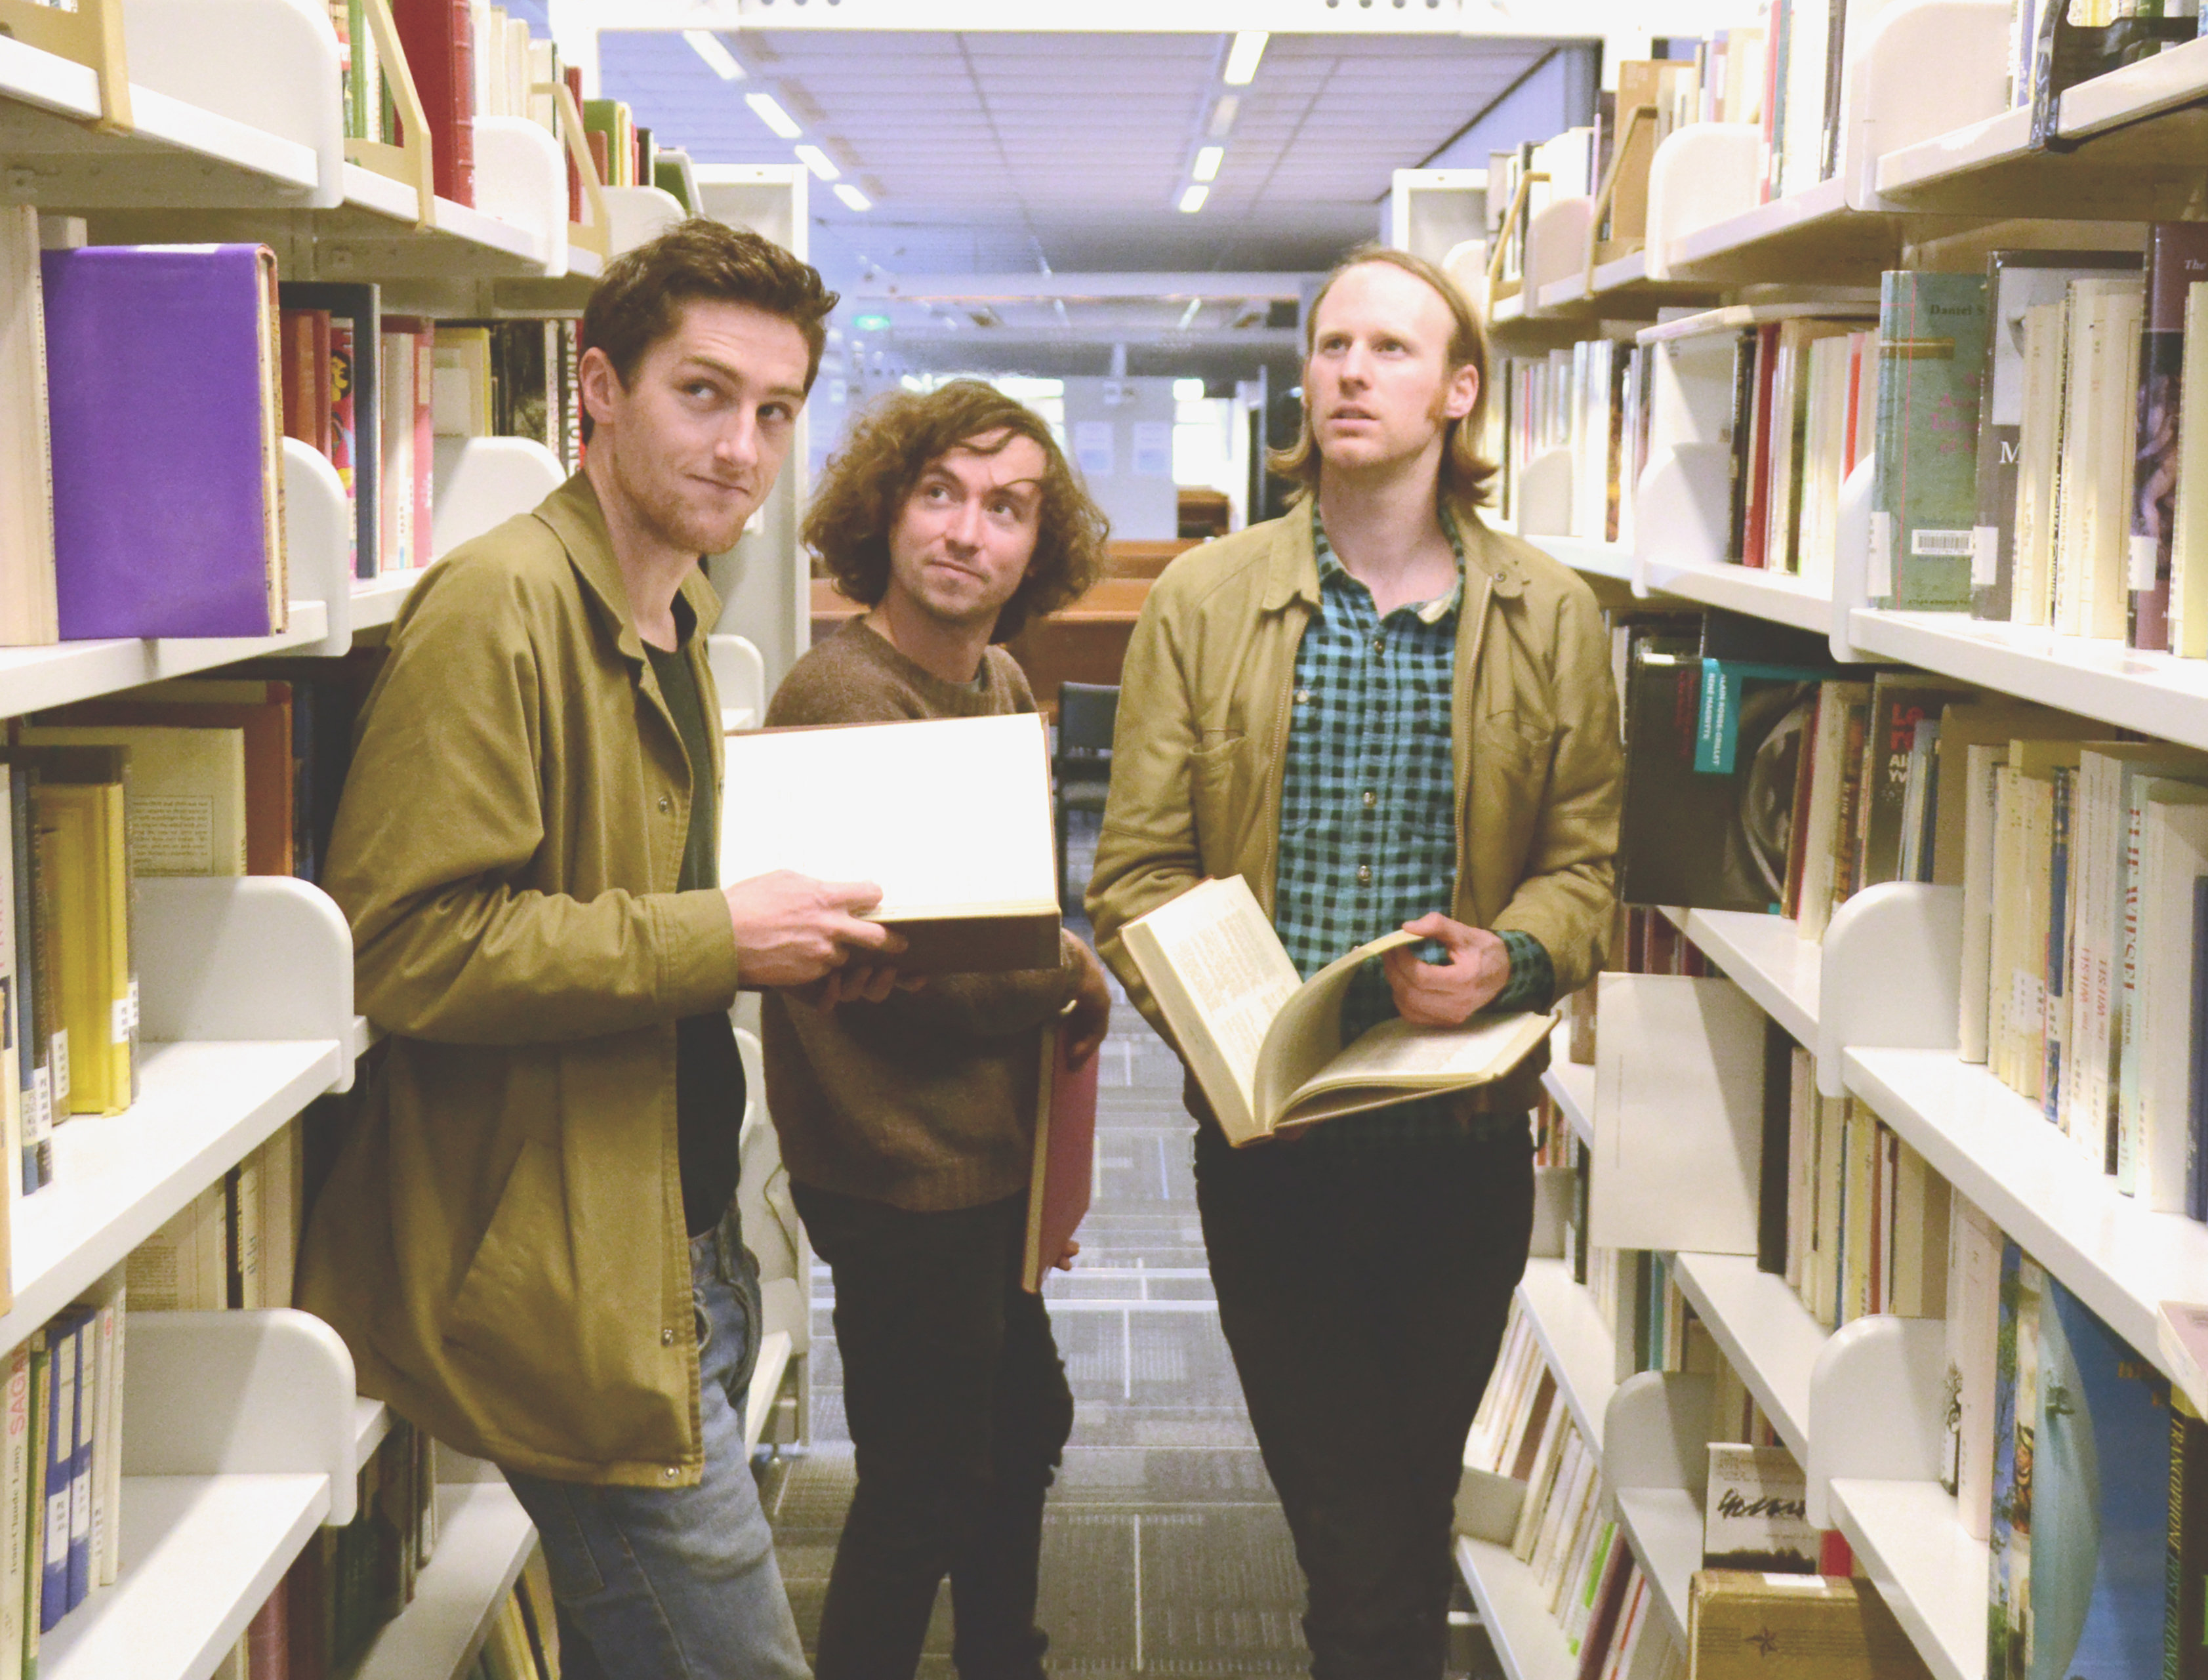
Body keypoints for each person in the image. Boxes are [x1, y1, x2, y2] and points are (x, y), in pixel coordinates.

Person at [297, 218, 889, 1680]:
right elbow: (405, 946)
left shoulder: (674, 608)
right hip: (573, 1259)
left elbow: (634, 889)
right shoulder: (500, 604)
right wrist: (720, 936)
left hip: (672, 1220)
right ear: (602, 388)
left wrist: (791, 938)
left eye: (775, 412)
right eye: (704, 394)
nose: (742, 448)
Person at [1086, 245, 1624, 1680]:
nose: (1350, 372)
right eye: (1331, 346)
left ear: (1459, 391)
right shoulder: (1205, 601)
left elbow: (1584, 869)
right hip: (1273, 1145)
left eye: (1391, 349)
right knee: (1348, 1521)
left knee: (1405, 1501)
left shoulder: (1551, 613)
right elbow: (1134, 874)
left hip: (1459, 1144)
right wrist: (1231, 1033)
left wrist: (1511, 958)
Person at [765, 379, 1114, 1680]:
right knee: (923, 1481)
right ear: (887, 511)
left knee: (1019, 1427)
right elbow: (944, 969)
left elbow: (1008, 917)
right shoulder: (847, 696)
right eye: (940, 494)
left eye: (1006, 508)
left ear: (1036, 545)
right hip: (895, 1164)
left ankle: (1001, 1658)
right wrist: (1068, 968)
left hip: (983, 1152)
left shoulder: (998, 678)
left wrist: (1049, 955)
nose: (969, 532)